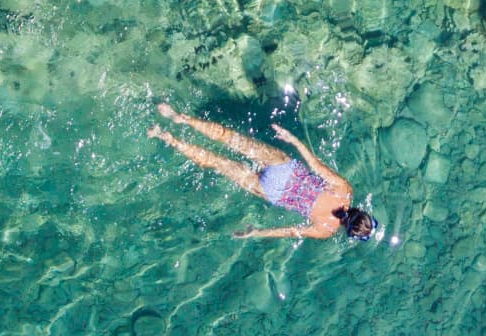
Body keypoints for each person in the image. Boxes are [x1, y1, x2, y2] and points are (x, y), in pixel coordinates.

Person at [149, 102, 375, 242]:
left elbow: (315, 165)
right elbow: (290, 231)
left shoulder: (345, 191)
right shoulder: (326, 230)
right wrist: (256, 232)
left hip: (284, 169)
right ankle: (167, 138)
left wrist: (293, 140)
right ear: (348, 231)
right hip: (274, 192)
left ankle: (181, 118)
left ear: (362, 211)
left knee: (228, 138)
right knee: (215, 162)